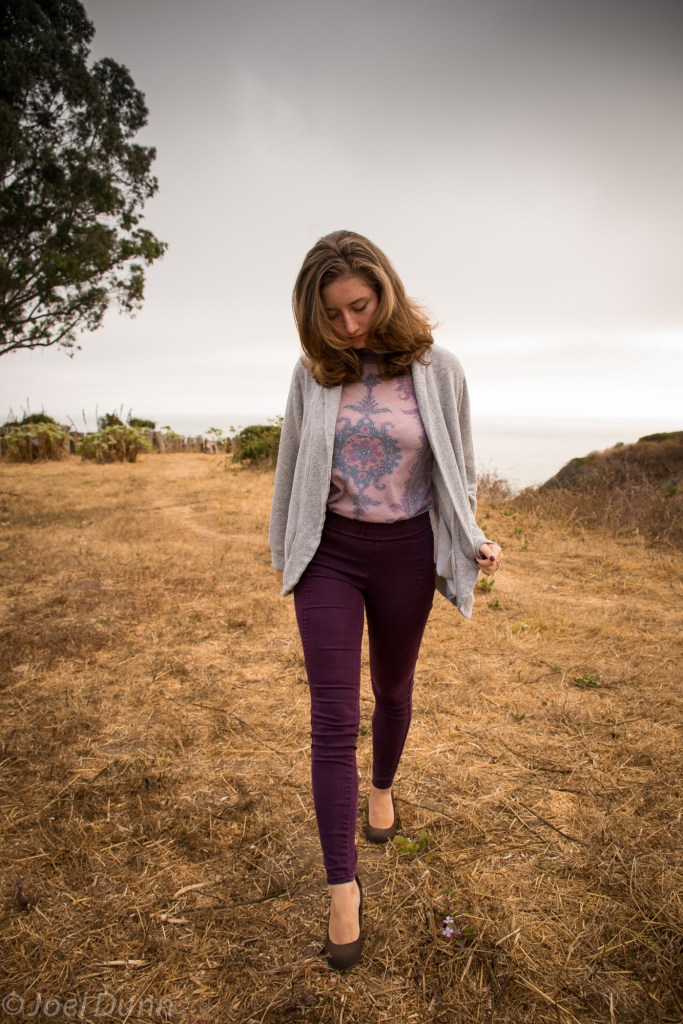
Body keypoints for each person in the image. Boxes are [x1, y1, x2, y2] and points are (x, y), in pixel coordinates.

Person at [268, 230, 502, 970]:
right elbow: (289, 469)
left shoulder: (440, 371)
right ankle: (343, 887)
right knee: (331, 718)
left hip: (404, 551)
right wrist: (289, 551)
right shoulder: (312, 374)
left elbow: (456, 470)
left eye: (359, 307)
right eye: (331, 315)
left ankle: (383, 789)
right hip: (330, 554)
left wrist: (471, 536)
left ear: (384, 290)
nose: (348, 327)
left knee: (392, 690)